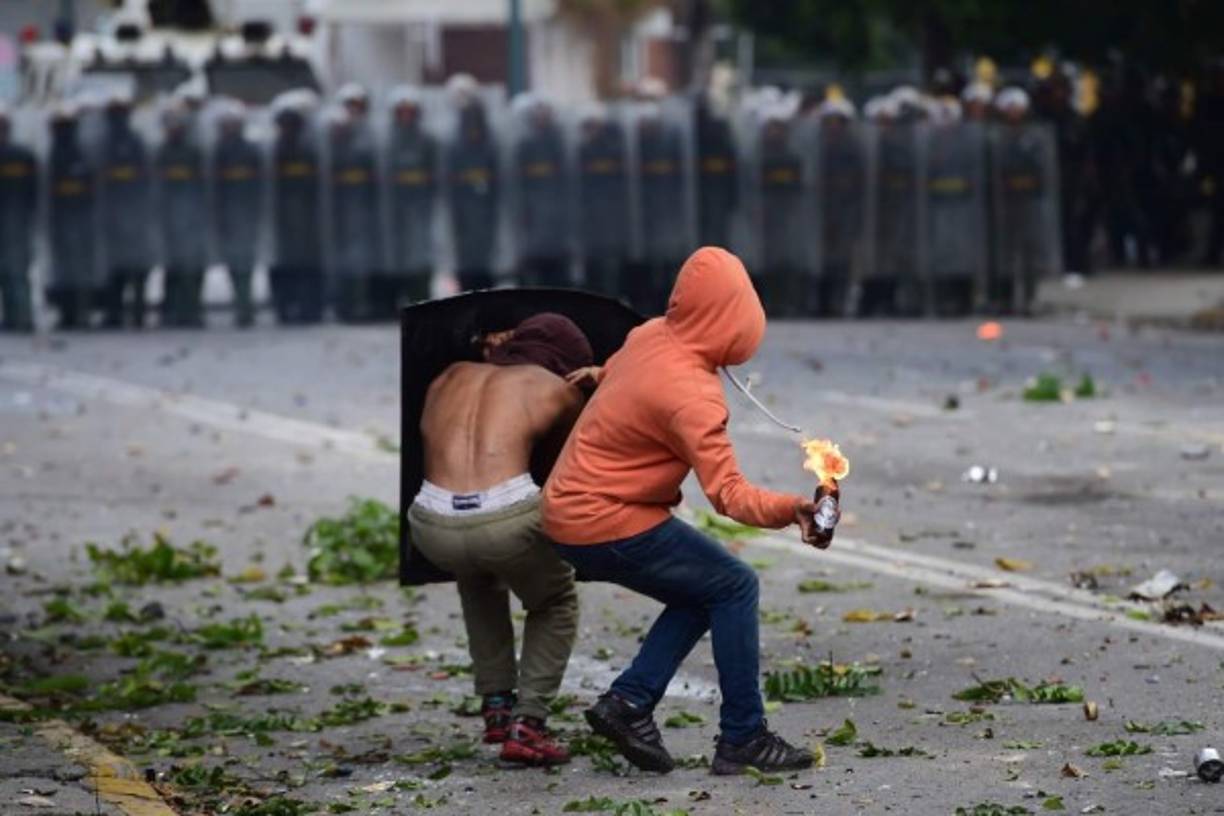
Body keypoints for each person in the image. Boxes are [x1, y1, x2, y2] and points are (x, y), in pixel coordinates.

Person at [542, 247, 835, 776]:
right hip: (604, 517)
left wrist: (598, 375)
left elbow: (621, 367)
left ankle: (629, 703)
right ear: (732, 318)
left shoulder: (651, 334)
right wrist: (793, 509)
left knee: (705, 593)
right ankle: (743, 737)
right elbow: (729, 495)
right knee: (735, 585)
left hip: (569, 509)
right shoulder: (693, 397)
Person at [407, 314, 592, 766]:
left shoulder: (449, 375)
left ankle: (496, 707)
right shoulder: (558, 390)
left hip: (430, 521)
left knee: (476, 575)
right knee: (554, 600)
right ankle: (528, 725)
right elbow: (563, 468)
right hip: (504, 520)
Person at [98, 92, 153, 328]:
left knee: (136, 269)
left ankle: (135, 312)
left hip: (134, 214)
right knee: (115, 269)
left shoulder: (134, 143)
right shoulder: (103, 144)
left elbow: (147, 179)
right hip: (112, 216)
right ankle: (116, 312)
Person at [211, 100, 264, 327]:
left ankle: (245, 307)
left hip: (246, 215)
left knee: (246, 264)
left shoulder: (250, 151)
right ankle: (242, 306)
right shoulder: (219, 152)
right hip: (228, 216)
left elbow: (259, 185)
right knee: (233, 264)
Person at [385, 87, 438, 309]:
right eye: (401, 112)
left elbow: (436, 174)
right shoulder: (387, 142)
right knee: (396, 254)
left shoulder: (427, 141)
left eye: (410, 112)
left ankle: (420, 298)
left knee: (420, 255)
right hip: (394, 209)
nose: (406, 117)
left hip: (419, 208)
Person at [155, 105, 208, 327]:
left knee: (193, 269)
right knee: (173, 269)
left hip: (193, 218)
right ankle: (172, 311)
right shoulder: (162, 153)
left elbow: (203, 185)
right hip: (169, 219)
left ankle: (192, 310)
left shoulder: (193, 153)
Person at [47, 104, 99, 330]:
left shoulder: (76, 154)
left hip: (77, 221)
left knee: (76, 269)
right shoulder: (58, 154)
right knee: (69, 269)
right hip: (66, 221)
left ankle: (78, 312)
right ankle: (72, 312)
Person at [0, 104, 38, 332]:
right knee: (16, 273)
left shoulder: (23, 156)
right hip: (19, 222)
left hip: (14, 223)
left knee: (14, 274)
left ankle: (21, 318)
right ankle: (20, 318)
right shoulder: (24, 155)